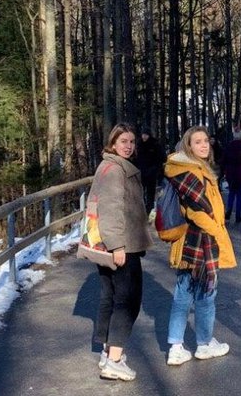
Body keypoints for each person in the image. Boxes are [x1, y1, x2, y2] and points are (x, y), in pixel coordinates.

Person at [163, 126, 237, 366]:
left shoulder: (191, 169)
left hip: (190, 242)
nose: (204, 145)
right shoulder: (191, 172)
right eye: (198, 142)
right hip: (201, 241)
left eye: (206, 141)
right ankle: (203, 344)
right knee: (205, 295)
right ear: (188, 146)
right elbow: (196, 211)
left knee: (183, 294)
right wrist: (217, 232)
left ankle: (177, 346)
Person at [93, 123, 154, 381]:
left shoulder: (109, 165)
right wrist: (117, 245)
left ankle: (108, 352)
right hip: (121, 245)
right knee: (127, 302)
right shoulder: (116, 170)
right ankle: (114, 361)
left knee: (111, 298)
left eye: (131, 141)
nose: (128, 146)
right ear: (113, 143)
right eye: (123, 141)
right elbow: (110, 210)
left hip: (112, 244)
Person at [222, 127, 241, 223]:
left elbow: (224, 160)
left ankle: (228, 212)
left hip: (230, 173)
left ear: (234, 136)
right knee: (239, 195)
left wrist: (224, 171)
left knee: (231, 193)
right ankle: (238, 216)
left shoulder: (228, 146)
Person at [135, 127, 165, 212]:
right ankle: (141, 209)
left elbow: (162, 158)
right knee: (140, 192)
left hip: (152, 173)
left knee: (150, 193)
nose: (144, 137)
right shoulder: (139, 144)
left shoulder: (155, 144)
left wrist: (155, 169)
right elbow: (136, 158)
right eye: (143, 134)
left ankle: (149, 210)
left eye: (146, 135)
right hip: (141, 172)